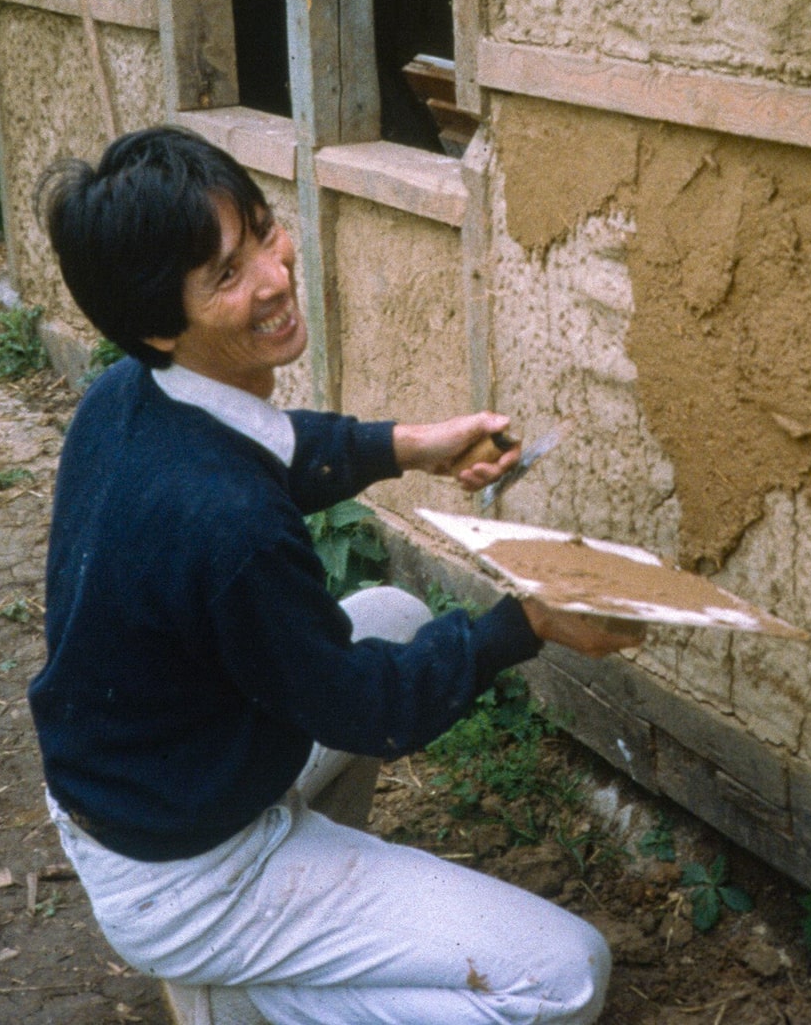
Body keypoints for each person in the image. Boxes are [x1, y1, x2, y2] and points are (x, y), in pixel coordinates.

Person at [35, 126, 640, 1025]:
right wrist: (530, 624)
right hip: (190, 869)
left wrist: (409, 447)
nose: (275, 278)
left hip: (144, 787)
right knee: (567, 974)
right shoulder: (226, 525)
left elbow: (274, 448)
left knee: (390, 611)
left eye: (263, 232)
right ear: (163, 323)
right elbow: (369, 711)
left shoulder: (128, 395)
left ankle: (270, 948)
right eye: (227, 277)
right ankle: (254, 988)